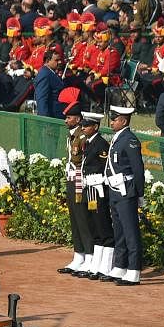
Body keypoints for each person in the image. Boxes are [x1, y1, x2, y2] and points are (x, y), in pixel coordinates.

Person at [104, 105, 145, 286]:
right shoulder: (118, 138)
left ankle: (134, 270)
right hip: (115, 190)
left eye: (115, 119)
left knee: (130, 231)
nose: (112, 122)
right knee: (119, 230)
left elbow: (138, 169)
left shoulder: (130, 140)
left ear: (124, 121)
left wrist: (139, 193)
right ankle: (120, 265)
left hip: (126, 190)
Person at [79, 111, 116, 280]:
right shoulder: (88, 142)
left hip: (98, 189)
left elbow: (104, 167)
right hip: (90, 189)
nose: (83, 128)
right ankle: (96, 264)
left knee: (102, 225)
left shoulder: (101, 144)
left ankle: (106, 265)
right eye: (83, 125)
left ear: (95, 127)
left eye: (86, 126)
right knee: (93, 225)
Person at [60, 96, 92, 275]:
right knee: (74, 217)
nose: (66, 120)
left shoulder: (82, 136)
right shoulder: (72, 136)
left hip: (80, 179)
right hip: (71, 178)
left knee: (82, 217)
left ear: (78, 119)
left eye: (69, 118)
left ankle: (88, 255)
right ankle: (78, 254)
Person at [34, 51, 66, 118]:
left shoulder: (50, 73)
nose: (59, 62)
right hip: (52, 117)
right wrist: (45, 121)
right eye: (56, 60)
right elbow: (41, 99)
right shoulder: (45, 74)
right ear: (48, 60)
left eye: (60, 60)